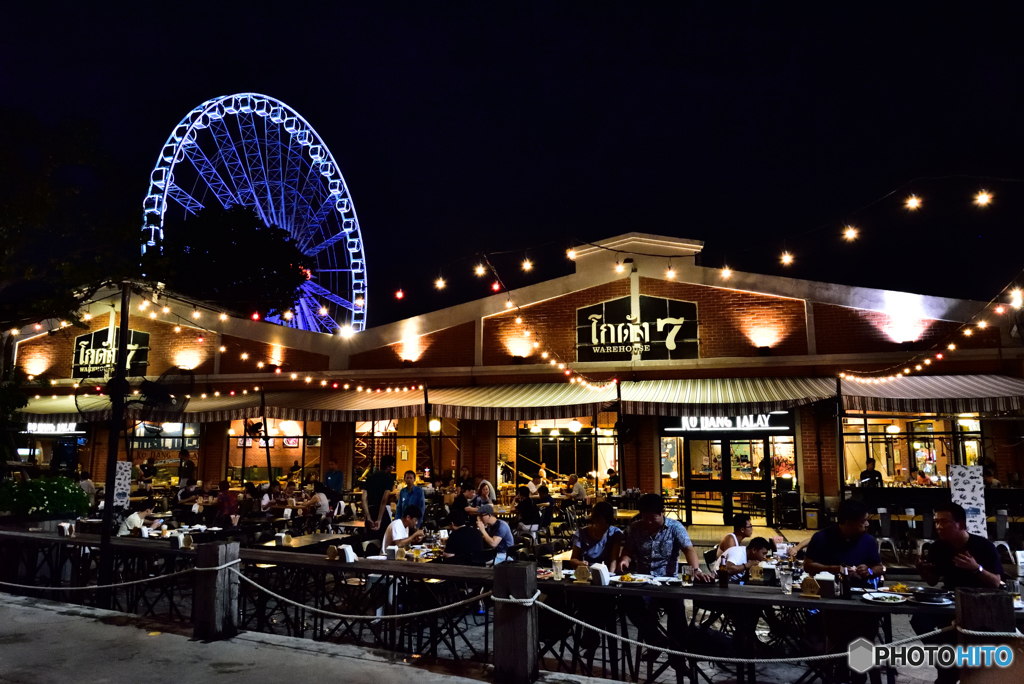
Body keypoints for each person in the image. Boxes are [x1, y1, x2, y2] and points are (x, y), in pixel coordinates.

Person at [617, 494, 710, 676]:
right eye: (645, 518)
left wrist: (696, 570)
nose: (649, 523)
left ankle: (677, 656)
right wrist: (625, 560)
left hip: (668, 582)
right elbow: (628, 550)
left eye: (653, 518)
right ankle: (656, 640)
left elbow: (688, 549)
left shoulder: (675, 527)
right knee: (627, 602)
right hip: (643, 581)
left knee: (676, 609)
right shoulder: (635, 528)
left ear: (663, 513)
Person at [912, 502, 1003, 684]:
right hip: (948, 602)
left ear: (960, 524)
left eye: (944, 522)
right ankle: (947, 662)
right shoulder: (938, 547)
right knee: (919, 620)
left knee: (955, 637)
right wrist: (922, 570)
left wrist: (975, 568)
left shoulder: (983, 546)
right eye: (936, 522)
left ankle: (949, 668)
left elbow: (995, 583)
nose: (938, 527)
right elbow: (932, 581)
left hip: (979, 603)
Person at [804, 499, 885, 684]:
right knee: (836, 640)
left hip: (863, 600)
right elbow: (808, 565)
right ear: (847, 522)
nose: (866, 524)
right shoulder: (822, 538)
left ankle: (859, 677)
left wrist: (869, 571)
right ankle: (835, 673)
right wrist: (836, 569)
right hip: (832, 598)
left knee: (863, 640)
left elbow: (879, 567)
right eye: (862, 521)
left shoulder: (868, 540)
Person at [568, 501, 624, 570]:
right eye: (601, 523)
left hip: (606, 572)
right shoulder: (581, 534)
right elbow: (573, 559)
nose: (604, 527)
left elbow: (613, 560)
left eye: (607, 524)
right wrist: (580, 563)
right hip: (586, 572)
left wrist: (610, 575)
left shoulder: (615, 533)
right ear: (594, 520)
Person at [362, 457, 397, 535]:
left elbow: (363, 499)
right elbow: (384, 499)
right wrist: (379, 519)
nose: (393, 468)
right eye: (392, 466)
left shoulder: (370, 477)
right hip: (382, 512)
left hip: (370, 510)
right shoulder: (389, 479)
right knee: (383, 540)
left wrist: (368, 517)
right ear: (388, 467)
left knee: (370, 541)